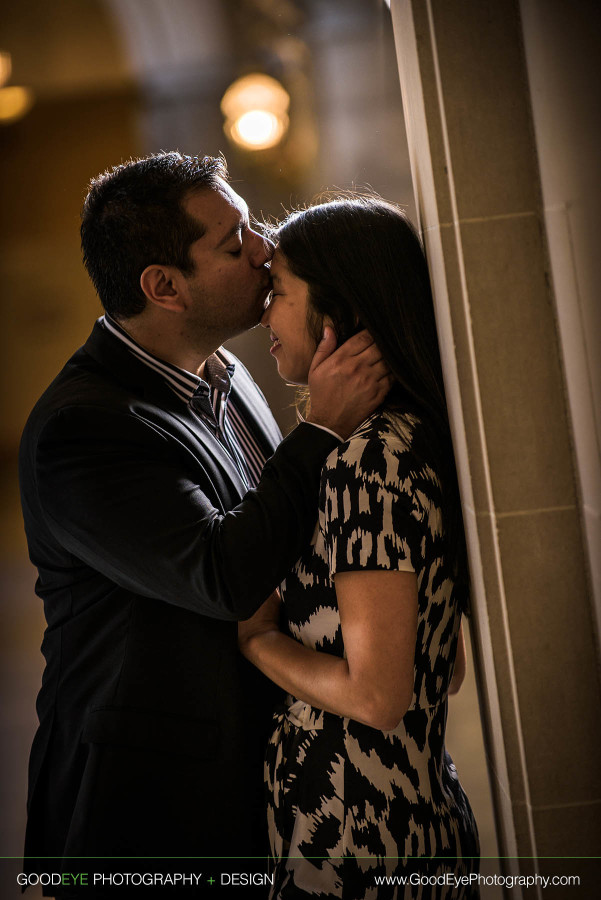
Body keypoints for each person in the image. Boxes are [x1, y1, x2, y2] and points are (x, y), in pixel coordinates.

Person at [18, 153, 391, 895]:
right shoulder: (84, 429)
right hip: (147, 805)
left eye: (250, 223)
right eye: (233, 243)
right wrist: (319, 431)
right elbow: (225, 575)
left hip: (241, 767)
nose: (265, 246)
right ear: (164, 288)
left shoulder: (221, 366)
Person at [239, 195, 480, 898]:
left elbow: (376, 697)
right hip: (402, 814)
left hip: (353, 836)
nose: (264, 315)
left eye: (278, 293)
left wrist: (257, 640)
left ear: (334, 313)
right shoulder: (405, 439)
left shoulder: (366, 462)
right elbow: (445, 667)